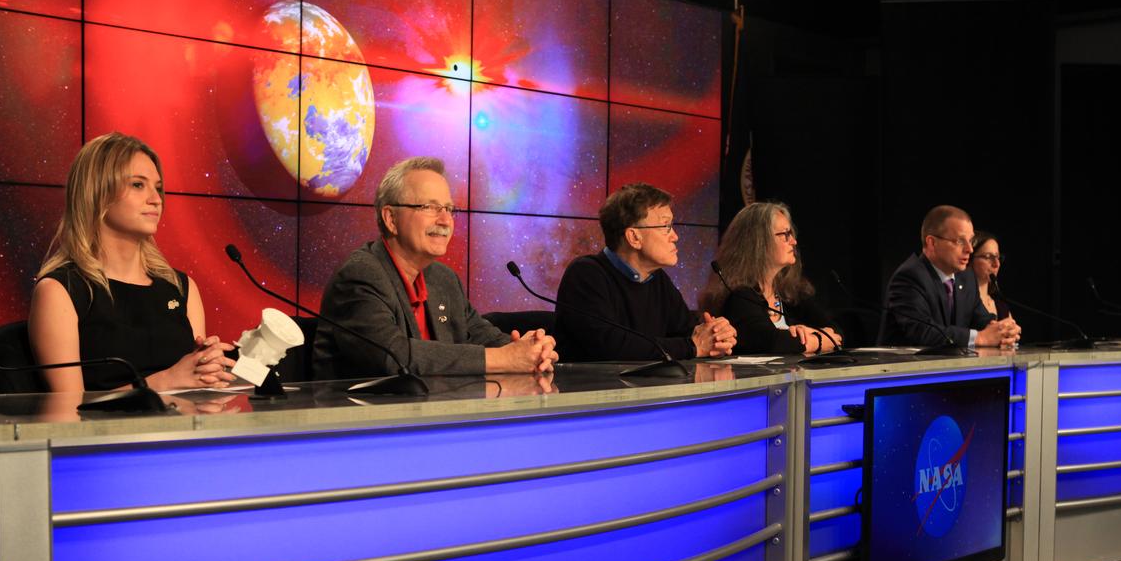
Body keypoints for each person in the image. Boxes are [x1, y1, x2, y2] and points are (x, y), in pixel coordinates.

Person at [313, 156, 557, 378]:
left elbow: (482, 335)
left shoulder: (443, 279)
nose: (444, 220)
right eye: (429, 207)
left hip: (435, 416)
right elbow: (392, 356)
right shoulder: (360, 275)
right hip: (361, 421)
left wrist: (532, 350)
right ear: (391, 219)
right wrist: (505, 358)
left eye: (449, 209)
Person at [29, 132, 236, 392]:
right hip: (106, 434)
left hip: (182, 430)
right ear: (97, 192)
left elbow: (196, 392)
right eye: (138, 185)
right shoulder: (60, 291)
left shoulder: (181, 288)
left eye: (158, 187)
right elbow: (68, 413)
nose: (156, 199)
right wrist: (165, 381)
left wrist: (208, 371)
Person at [555, 183, 736, 362]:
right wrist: (693, 346)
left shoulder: (657, 279)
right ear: (634, 237)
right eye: (665, 226)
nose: (675, 236)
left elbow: (689, 332)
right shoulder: (586, 275)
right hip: (592, 390)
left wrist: (716, 336)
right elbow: (611, 348)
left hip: (644, 388)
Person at [702, 201, 841, 355]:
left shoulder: (790, 293)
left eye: (792, 234)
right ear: (759, 242)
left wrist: (810, 335)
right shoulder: (740, 296)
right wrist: (817, 340)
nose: (793, 242)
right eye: (785, 234)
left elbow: (836, 332)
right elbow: (771, 343)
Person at [878, 205, 1020, 348]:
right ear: (932, 243)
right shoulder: (910, 277)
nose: (969, 249)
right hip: (906, 368)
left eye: (970, 241)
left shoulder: (966, 277)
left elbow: (981, 319)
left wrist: (1002, 330)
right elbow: (922, 332)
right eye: (960, 241)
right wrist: (980, 338)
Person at [969, 231, 1013, 323]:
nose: (996, 264)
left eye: (997, 257)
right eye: (988, 257)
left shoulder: (1002, 307)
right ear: (969, 259)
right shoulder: (959, 302)